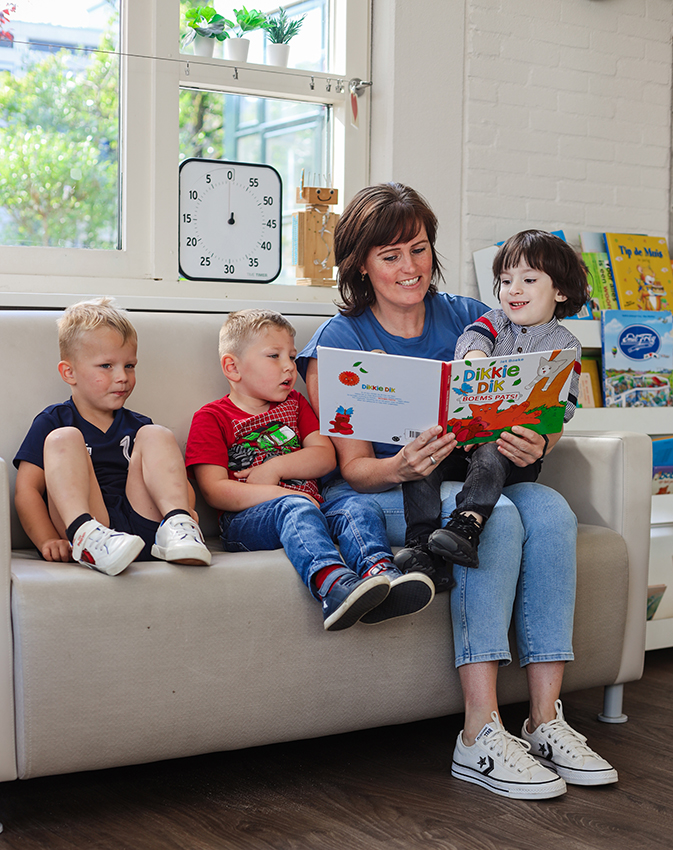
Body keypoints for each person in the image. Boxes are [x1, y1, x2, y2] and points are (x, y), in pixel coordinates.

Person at [297, 183, 617, 799]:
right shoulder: (342, 338)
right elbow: (355, 471)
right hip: (392, 490)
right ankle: (478, 732)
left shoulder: (475, 313)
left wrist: (539, 444)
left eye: (418, 249)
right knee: (495, 522)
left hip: (474, 476)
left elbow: (541, 394)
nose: (410, 267)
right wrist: (404, 466)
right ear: (361, 263)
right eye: (390, 255)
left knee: (550, 511)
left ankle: (546, 720)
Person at [184, 308, 434, 632]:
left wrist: (275, 467)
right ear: (232, 367)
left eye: (290, 354)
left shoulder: (296, 404)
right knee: (295, 507)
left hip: (314, 505)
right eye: (274, 356)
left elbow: (325, 456)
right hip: (248, 520)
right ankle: (333, 587)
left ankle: (380, 575)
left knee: (358, 505)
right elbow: (214, 490)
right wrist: (278, 493)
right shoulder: (212, 418)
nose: (289, 366)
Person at [396, 230, 588, 573]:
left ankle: (467, 525)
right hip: (464, 445)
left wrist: (540, 432)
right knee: (424, 455)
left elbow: (565, 407)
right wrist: (476, 363)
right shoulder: (495, 320)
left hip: (512, 454)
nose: (513, 289)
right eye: (505, 280)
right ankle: (421, 544)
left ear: (559, 291)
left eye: (528, 279)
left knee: (493, 448)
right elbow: (474, 339)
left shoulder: (566, 345)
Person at [14, 297, 211, 576]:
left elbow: (174, 481)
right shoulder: (53, 421)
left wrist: (185, 508)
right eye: (107, 366)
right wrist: (47, 539)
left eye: (129, 366)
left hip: (145, 528)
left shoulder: (140, 427)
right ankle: (85, 536)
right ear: (69, 372)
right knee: (63, 439)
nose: (122, 377)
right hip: (91, 526)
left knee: (157, 434)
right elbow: (27, 491)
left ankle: (178, 527)